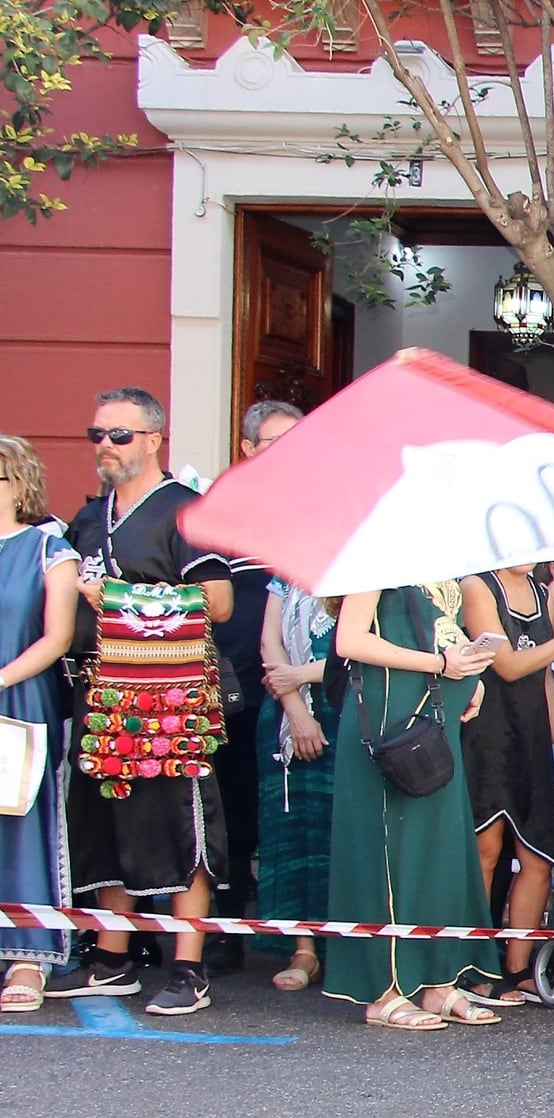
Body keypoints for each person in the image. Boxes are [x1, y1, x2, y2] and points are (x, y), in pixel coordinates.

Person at [45, 388, 234, 1016]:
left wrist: (125, 603)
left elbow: (220, 601)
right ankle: (111, 957)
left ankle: (188, 967)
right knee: (103, 825)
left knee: (181, 826)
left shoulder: (185, 510)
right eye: (96, 434)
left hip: (169, 696)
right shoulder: (87, 517)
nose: (105, 446)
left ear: (154, 439)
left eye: (120, 435)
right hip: (98, 693)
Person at [322, 583, 504, 1029]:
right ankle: (384, 992)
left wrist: (468, 672)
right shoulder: (378, 555)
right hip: (386, 717)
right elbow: (350, 641)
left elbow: (441, 629)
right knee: (388, 851)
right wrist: (441, 664)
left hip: (434, 712)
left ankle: (439, 981)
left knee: (441, 848)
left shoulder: (441, 561)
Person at [460, 564, 554, 1005]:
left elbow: (542, 675)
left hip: (531, 735)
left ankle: (517, 966)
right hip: (487, 734)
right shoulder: (478, 587)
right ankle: (473, 965)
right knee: (486, 850)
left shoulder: (541, 592)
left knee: (536, 857)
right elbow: (508, 665)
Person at [203, 402, 298, 979]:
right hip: (232, 687)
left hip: (301, 687)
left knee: (297, 814)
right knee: (232, 816)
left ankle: (306, 939)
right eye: (273, 443)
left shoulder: (321, 513)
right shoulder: (221, 514)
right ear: (247, 449)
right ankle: (227, 930)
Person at [0, 436, 80, 1013]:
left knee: (23, 820)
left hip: (20, 696)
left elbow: (56, 637)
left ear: (18, 483)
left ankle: (28, 957)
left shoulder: (48, 548)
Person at [255, 579, 337, 992]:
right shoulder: (286, 572)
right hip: (287, 712)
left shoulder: (368, 561)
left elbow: (361, 648)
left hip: (348, 706)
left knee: (343, 831)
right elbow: (270, 642)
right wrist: (297, 711)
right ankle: (303, 948)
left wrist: (299, 675)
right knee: (296, 828)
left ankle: (351, 946)